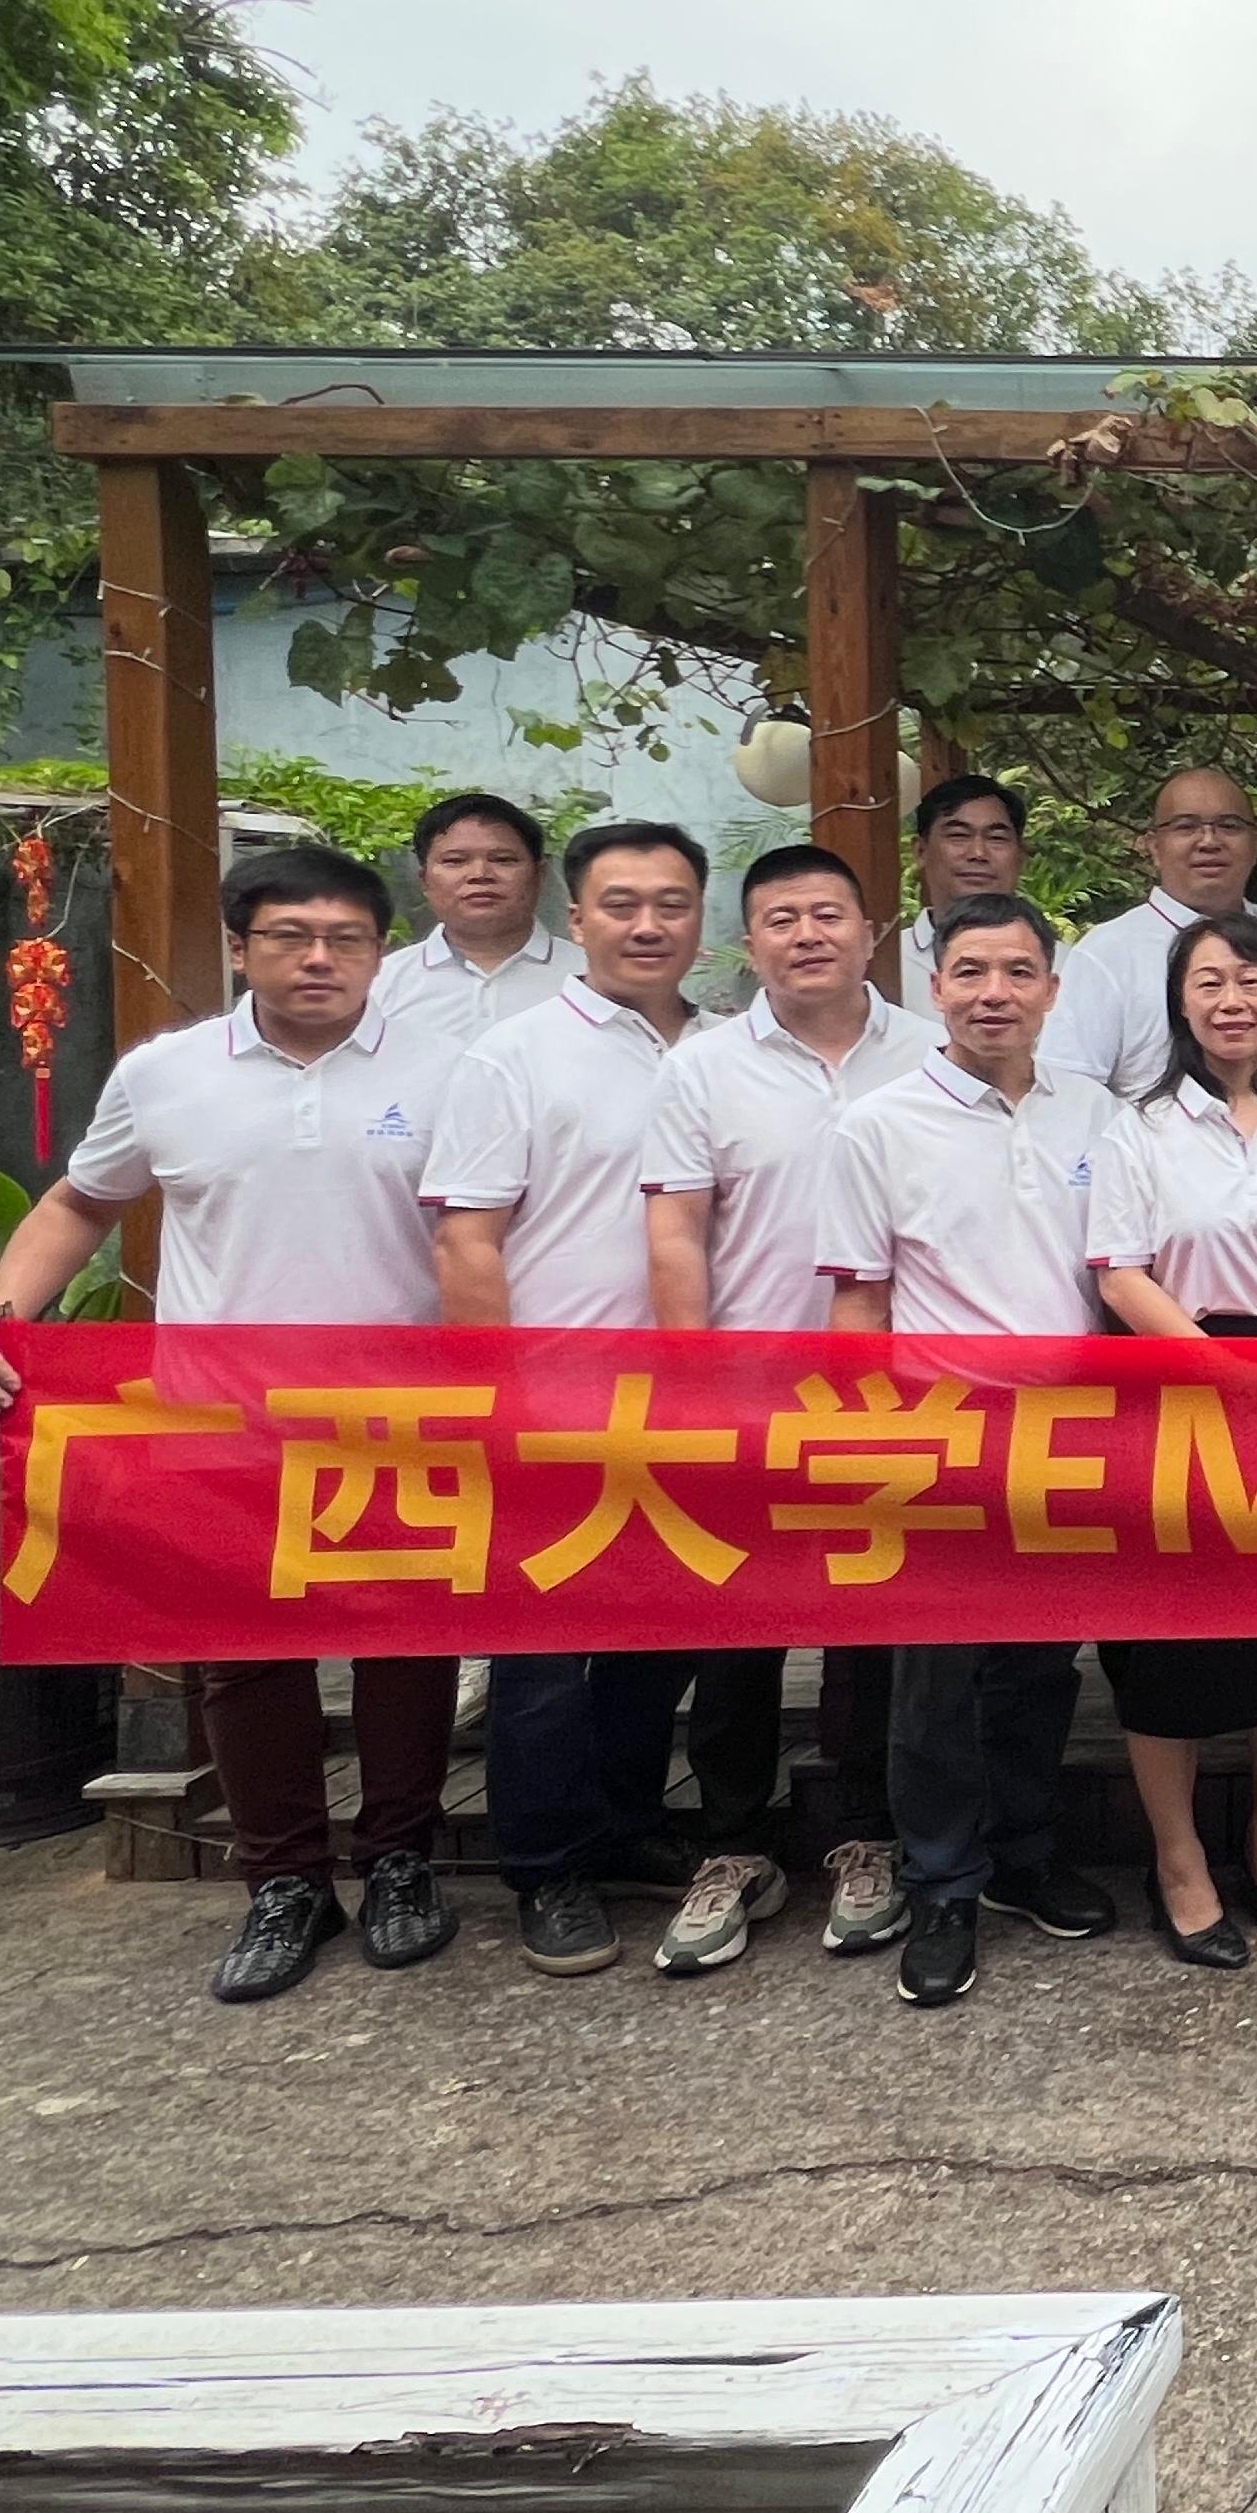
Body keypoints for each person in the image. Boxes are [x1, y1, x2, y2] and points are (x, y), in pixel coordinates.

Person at [0, 846, 464, 2005]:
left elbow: (489, 1234)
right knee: (242, 1655)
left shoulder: (451, 1071)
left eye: (347, 938)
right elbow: (81, 1202)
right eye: (290, 936)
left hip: (398, 1410)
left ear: (382, 952)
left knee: (405, 1643)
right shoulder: (166, 1074)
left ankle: (400, 1862)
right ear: (240, 948)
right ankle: (284, 1882)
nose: (320, 958)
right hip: (220, 1412)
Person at [813, 890, 1126, 2007]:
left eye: (1019, 972)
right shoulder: (878, 1125)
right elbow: (860, 1300)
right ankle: (943, 1881)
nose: (997, 994)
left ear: (1052, 989)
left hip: (1068, 1433)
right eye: (973, 973)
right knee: (935, 1678)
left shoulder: (1099, 1114)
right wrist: (866, 1443)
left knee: (1040, 1666)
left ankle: (1024, 1857)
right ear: (935, 986)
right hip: (934, 1430)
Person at [420, 819, 710, 1982]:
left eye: (672, 904)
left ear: (701, 920)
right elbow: (467, 1240)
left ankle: (627, 1824)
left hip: (693, 1401)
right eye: (621, 904)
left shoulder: (729, 1050)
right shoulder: (516, 1055)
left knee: (657, 1637)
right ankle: (546, 1868)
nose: (648, 925)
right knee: (540, 1654)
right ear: (576, 919)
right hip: (553, 1398)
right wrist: (497, 1399)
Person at [639, 844, 935, 1975]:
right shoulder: (703, 1069)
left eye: (828, 914)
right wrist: (693, 1379)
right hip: (750, 1388)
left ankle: (867, 1837)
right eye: (781, 919)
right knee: (738, 1625)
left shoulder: (934, 1053)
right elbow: (677, 1232)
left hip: (898, 1394)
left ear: (872, 931)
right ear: (747, 942)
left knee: (873, 1628)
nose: (807, 935)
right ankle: (733, 1846)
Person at [1089, 913, 1257, 1971]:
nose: (1232, 1000)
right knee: (1170, 1641)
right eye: (1208, 982)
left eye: (1251, 979)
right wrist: (1227, 1375)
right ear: (1180, 1003)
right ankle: (1181, 1861)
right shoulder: (1137, 1128)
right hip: (1175, 1384)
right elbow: (1119, 1272)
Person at [1041, 765, 1257, 1101]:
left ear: (1256, 842)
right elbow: (1068, 1090)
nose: (1209, 841)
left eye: (1229, 826)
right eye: (1185, 826)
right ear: (1154, 845)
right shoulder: (1106, 953)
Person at [366, 791, 575, 1056]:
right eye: (455, 861)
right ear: (424, 880)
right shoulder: (379, 983)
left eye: (503, 860)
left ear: (539, 875)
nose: (480, 875)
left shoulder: (588, 977)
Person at [900, 771, 1066, 1003]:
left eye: (996, 838)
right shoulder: (885, 962)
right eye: (958, 835)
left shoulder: (1070, 966)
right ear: (920, 851)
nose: (978, 853)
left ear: (1020, 856)